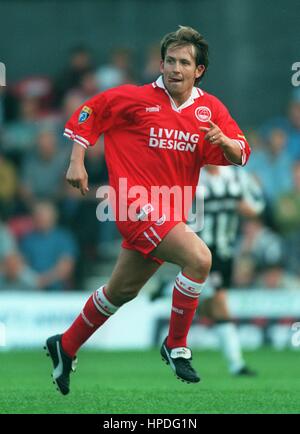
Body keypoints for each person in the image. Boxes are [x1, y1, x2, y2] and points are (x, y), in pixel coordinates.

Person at [45, 26, 251, 395]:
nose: (175, 68)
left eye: (183, 62)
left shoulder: (211, 109)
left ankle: (66, 344)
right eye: (169, 60)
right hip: (130, 204)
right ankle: (176, 344)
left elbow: (241, 152)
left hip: (169, 214)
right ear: (161, 63)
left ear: (198, 70)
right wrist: (76, 160)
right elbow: (88, 111)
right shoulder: (136, 98)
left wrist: (226, 143)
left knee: (119, 292)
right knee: (200, 259)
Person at [195, 165, 264, 375]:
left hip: (226, 250)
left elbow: (258, 202)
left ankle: (169, 289)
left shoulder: (236, 175)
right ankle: (237, 364)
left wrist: (250, 209)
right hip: (199, 249)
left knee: (206, 307)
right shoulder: (192, 175)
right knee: (220, 302)